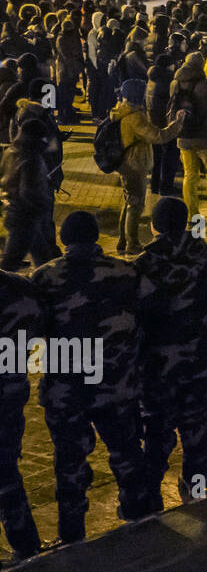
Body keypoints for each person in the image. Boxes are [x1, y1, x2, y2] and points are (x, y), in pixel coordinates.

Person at [33, 212, 150, 544]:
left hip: (67, 391)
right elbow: (150, 313)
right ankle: (137, 514)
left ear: (65, 240)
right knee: (126, 450)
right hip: (117, 384)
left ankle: (72, 535)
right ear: (97, 237)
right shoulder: (126, 271)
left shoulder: (45, 277)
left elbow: (33, 327)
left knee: (70, 462)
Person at [134, 197, 207, 507]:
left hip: (156, 365)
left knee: (156, 428)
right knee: (196, 422)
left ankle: (149, 496)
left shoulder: (143, 266)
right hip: (198, 356)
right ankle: (196, 487)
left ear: (154, 226)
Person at [109, 78, 185, 255]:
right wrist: (177, 123)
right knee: (135, 205)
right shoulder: (134, 117)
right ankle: (132, 243)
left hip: (126, 163)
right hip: (134, 165)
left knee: (129, 202)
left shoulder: (122, 110)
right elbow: (157, 136)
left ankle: (123, 241)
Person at [0, 269, 43, 558]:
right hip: (9, 395)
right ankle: (25, 544)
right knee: (6, 469)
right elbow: (40, 328)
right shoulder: (20, 287)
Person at [170, 51, 207, 229]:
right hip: (206, 138)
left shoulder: (175, 83)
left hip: (184, 137)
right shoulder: (206, 84)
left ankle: (193, 217)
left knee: (190, 175)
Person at [0, 121, 58, 272]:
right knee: (9, 264)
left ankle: (46, 284)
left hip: (16, 212)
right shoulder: (32, 158)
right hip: (24, 216)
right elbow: (28, 192)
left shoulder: (11, 151)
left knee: (42, 257)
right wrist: (45, 204)